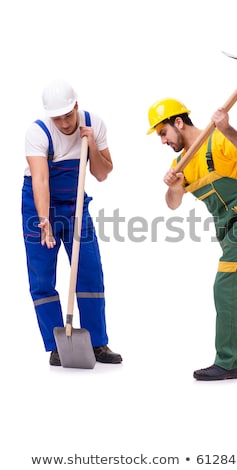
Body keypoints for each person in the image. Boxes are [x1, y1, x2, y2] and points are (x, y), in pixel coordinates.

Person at [147, 98, 237, 381]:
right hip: (230, 232)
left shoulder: (218, 141)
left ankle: (229, 361)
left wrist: (229, 129)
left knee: (227, 285)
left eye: (162, 132)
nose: (162, 140)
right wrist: (173, 186)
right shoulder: (181, 163)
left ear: (178, 122)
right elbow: (173, 204)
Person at [22, 79, 122, 366]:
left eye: (68, 115)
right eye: (58, 118)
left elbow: (102, 174)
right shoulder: (37, 132)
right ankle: (56, 345)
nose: (64, 123)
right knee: (42, 277)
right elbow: (40, 179)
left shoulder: (94, 124)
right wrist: (44, 222)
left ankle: (97, 342)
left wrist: (89, 144)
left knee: (89, 271)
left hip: (77, 206)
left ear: (76, 105)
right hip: (39, 207)